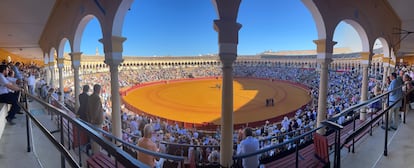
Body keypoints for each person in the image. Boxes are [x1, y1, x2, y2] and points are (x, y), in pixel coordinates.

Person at [87, 84, 103, 154]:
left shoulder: (90, 97)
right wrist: (93, 119)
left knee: (92, 137)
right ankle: (96, 152)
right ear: (98, 90)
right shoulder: (97, 98)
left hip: (91, 120)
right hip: (96, 121)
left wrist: (90, 119)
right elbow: (96, 110)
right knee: (97, 136)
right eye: (100, 89)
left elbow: (87, 109)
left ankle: (94, 150)